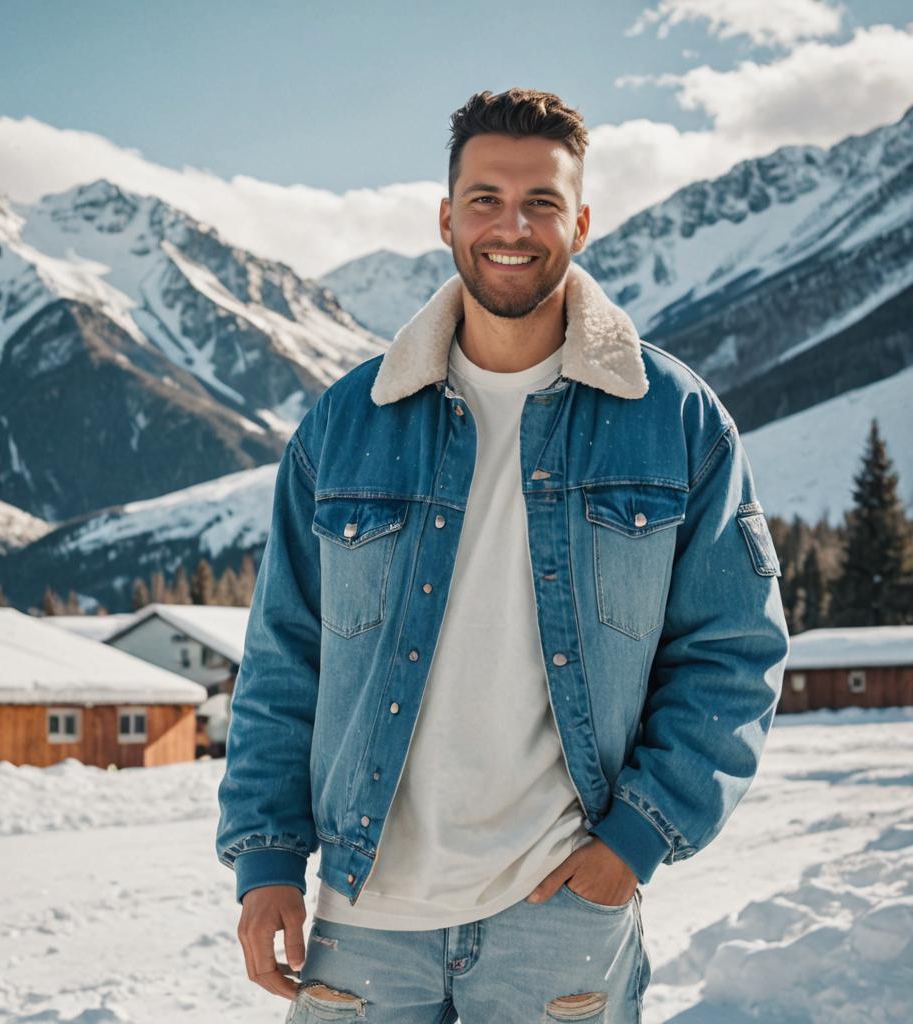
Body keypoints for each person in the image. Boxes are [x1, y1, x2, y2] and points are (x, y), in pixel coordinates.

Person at [215, 87, 789, 1023]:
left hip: (560, 916)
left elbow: (732, 653)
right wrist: (267, 859)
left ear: (583, 220)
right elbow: (286, 655)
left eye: (541, 202)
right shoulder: (349, 422)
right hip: (365, 916)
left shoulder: (674, 420)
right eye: (485, 198)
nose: (510, 226)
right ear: (446, 216)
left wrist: (633, 844)